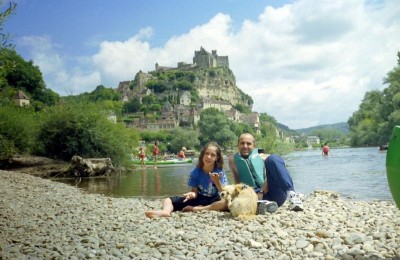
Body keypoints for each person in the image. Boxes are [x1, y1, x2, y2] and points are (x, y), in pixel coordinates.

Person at [145, 142, 228, 218]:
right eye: (206, 153)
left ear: (217, 158)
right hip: (200, 198)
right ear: (202, 155)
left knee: (226, 202)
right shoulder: (196, 172)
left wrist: (217, 182)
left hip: (215, 199)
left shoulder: (219, 172)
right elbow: (194, 191)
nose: (209, 157)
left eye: (212, 155)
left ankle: (198, 209)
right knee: (168, 200)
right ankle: (165, 211)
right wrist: (192, 194)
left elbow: (225, 193)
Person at [228, 133, 304, 212]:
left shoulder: (263, 157)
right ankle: (265, 206)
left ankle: (292, 196)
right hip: (252, 196)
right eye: (242, 143)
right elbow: (237, 182)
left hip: (272, 192)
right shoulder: (232, 160)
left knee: (273, 158)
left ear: (254, 146)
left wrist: (261, 192)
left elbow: (274, 175)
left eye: (248, 143)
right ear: (238, 145)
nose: (245, 146)